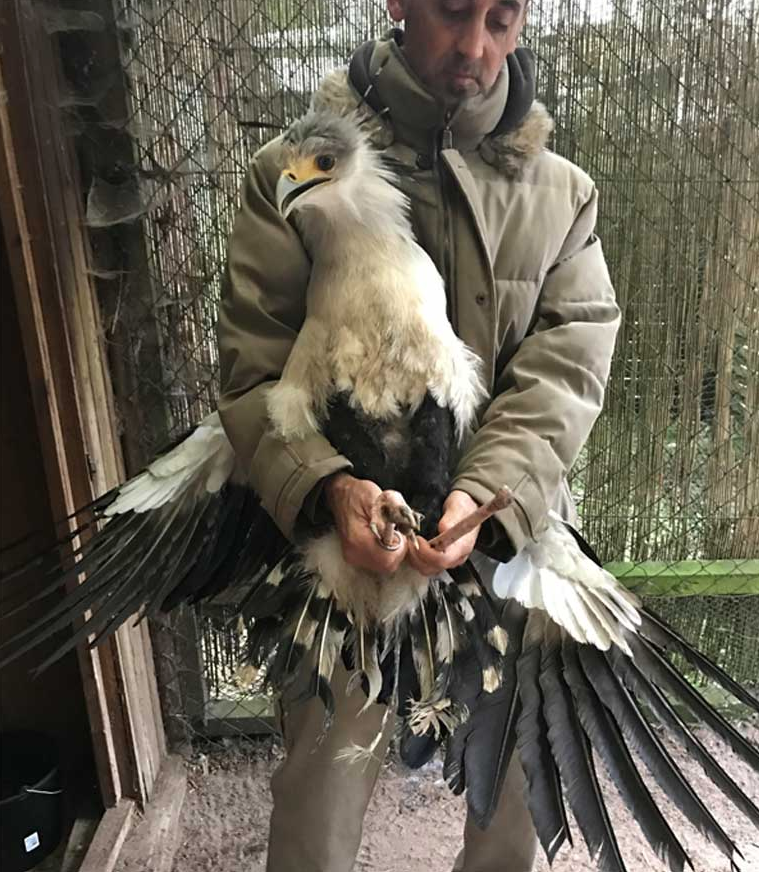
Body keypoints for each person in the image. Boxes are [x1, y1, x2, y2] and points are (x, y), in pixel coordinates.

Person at [217, 1, 620, 869]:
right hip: (344, 539)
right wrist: (329, 488)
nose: (474, 45)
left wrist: (483, 494)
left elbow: (564, 371)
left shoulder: (562, 196)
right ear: (398, 3)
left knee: (516, 779)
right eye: (449, 11)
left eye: (501, 18)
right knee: (321, 779)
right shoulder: (297, 168)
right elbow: (252, 372)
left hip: (499, 526)